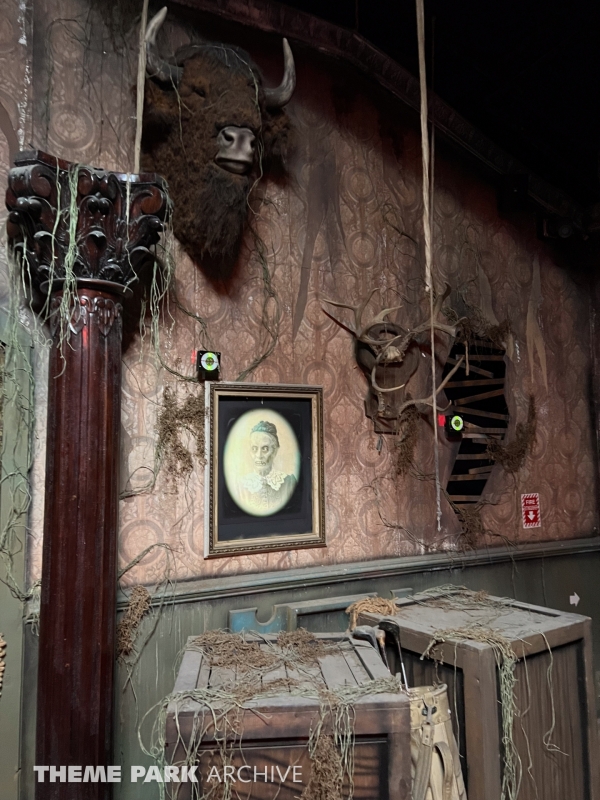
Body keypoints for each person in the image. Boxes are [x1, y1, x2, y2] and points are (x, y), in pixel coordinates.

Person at [235, 420, 297, 515]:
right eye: (254, 448)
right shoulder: (240, 487)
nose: (259, 455)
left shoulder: (289, 483)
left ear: (275, 451)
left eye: (265, 449)